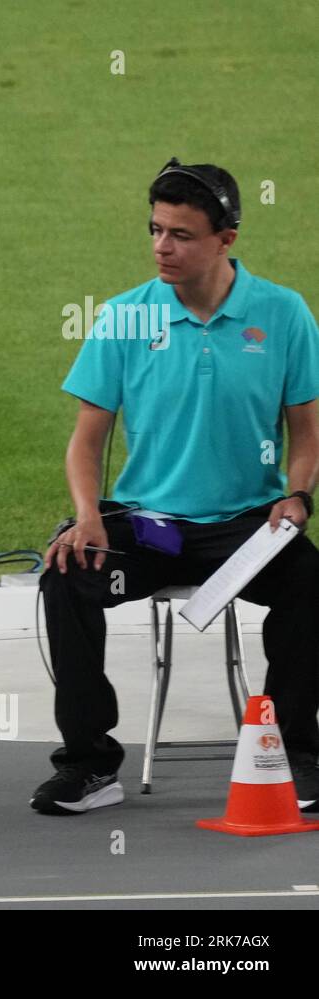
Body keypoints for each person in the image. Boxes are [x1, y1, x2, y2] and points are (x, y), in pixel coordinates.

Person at [35, 157, 319, 815]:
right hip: (150, 528)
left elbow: (306, 431)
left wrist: (298, 494)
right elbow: (87, 440)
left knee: (310, 582)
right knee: (66, 578)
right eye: (155, 230)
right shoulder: (125, 317)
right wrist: (86, 516)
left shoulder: (284, 315)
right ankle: (88, 764)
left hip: (248, 526)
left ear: (227, 239)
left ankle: (296, 754)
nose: (163, 246)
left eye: (181, 234)